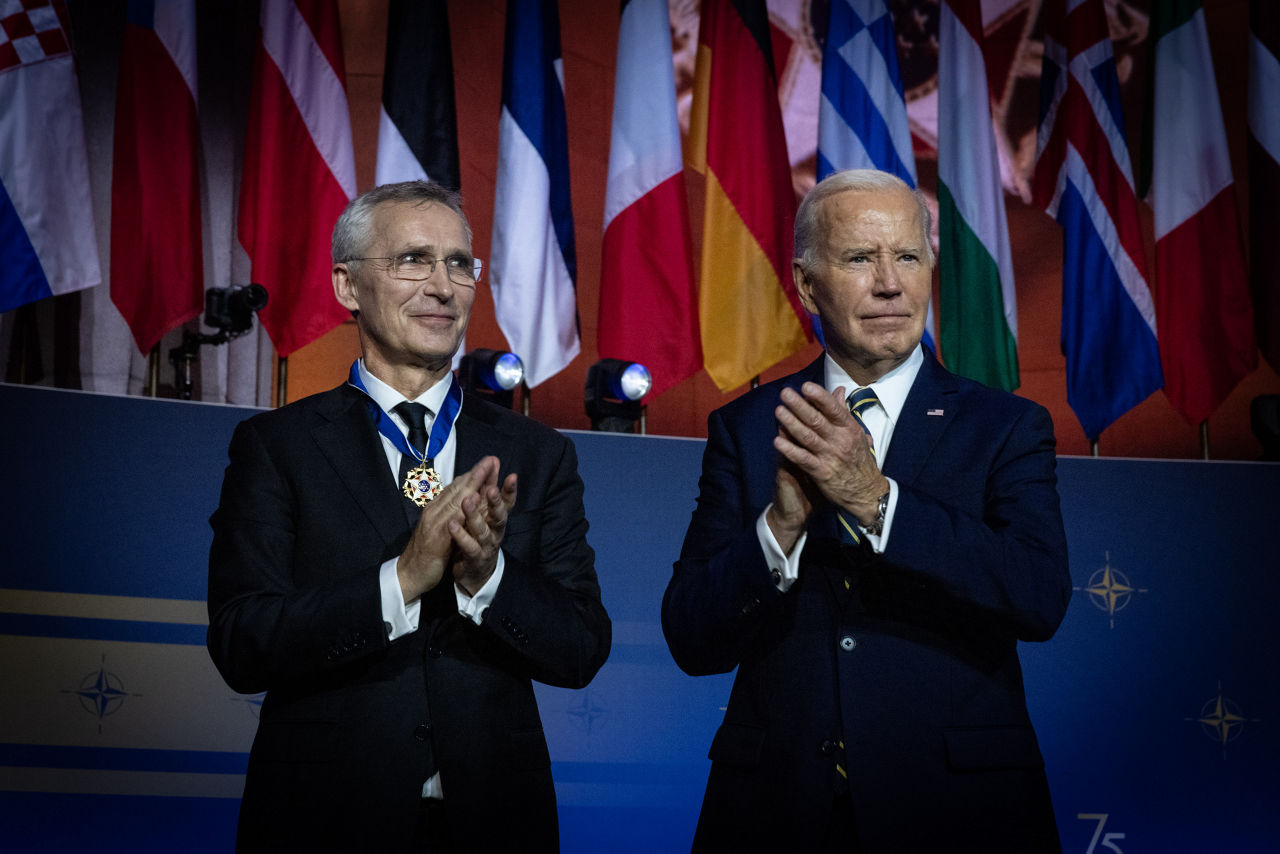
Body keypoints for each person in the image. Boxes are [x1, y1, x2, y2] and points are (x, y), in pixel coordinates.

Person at [662, 169, 1070, 852]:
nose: (890, 284)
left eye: (908, 256)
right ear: (806, 284)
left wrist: (877, 502)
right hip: (777, 810)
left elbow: (1038, 596)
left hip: (958, 810)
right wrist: (779, 531)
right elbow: (691, 638)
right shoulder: (749, 427)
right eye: (859, 258)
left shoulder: (1005, 427)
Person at [207, 181, 611, 852]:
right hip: (325, 820)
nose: (443, 286)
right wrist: (401, 579)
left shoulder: (537, 453)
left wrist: (486, 577)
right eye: (413, 260)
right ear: (347, 286)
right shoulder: (278, 448)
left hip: (495, 823)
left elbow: (581, 648)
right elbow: (242, 643)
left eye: (459, 263)